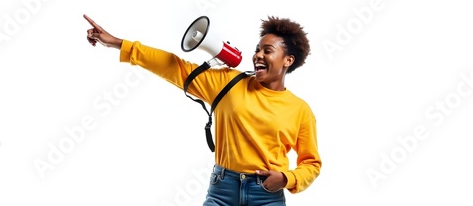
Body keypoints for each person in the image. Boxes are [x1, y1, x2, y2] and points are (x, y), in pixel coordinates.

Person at [84, 14, 321, 206]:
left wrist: (286, 178)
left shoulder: (300, 110)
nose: (258, 55)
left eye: (267, 51)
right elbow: (175, 67)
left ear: (288, 60)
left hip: (267, 196)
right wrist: (117, 43)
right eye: (257, 49)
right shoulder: (229, 83)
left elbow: (311, 164)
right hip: (222, 190)